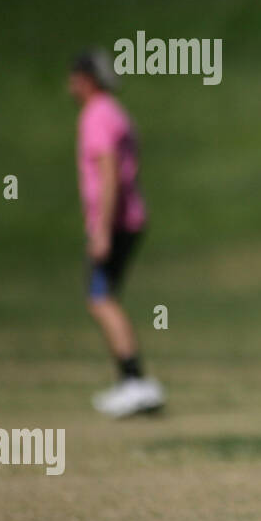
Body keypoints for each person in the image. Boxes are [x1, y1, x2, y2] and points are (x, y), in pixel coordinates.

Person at [68, 49, 164, 418]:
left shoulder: (95, 115)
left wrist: (101, 230)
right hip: (130, 217)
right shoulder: (116, 112)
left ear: (88, 79)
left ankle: (134, 381)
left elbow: (108, 172)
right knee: (105, 296)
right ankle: (134, 381)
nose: (71, 84)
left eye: (75, 76)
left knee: (100, 297)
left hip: (114, 221)